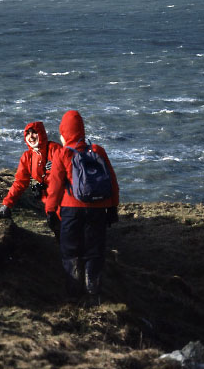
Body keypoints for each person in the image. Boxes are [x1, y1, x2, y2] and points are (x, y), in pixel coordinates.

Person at [46, 110, 119, 303]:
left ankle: (73, 294)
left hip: (71, 210)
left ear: (64, 133)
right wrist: (112, 206)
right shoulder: (97, 150)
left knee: (71, 252)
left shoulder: (62, 154)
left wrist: (50, 211)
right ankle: (93, 293)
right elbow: (112, 180)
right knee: (94, 251)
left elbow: (54, 187)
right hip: (98, 209)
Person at [0, 122, 63, 239]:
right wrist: (6, 205)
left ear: (41, 133)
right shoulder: (27, 157)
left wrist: (57, 167)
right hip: (49, 202)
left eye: (34, 132)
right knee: (55, 226)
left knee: (67, 228)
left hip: (65, 199)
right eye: (28, 134)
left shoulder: (55, 149)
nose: (31, 136)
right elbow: (20, 182)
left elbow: (70, 171)